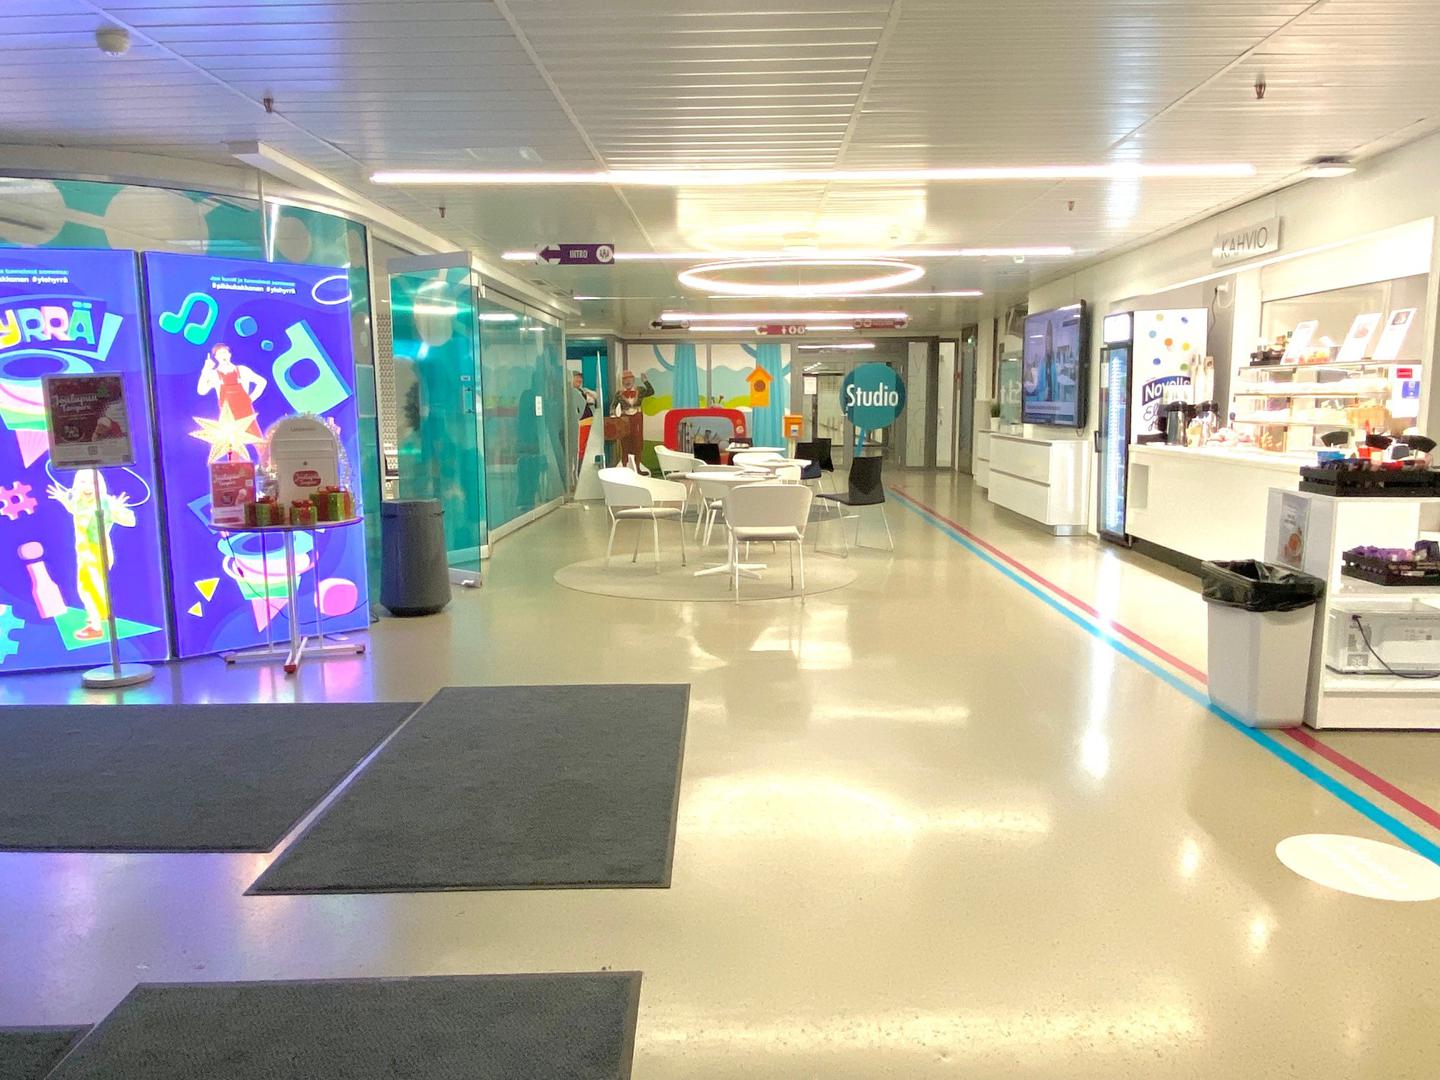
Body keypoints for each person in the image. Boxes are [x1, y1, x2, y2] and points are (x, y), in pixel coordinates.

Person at [47, 471, 136, 642]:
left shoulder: (106, 503)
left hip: (97, 552)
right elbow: (75, 510)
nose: (87, 487)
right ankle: (99, 615)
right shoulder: (79, 501)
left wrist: (118, 509)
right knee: (92, 587)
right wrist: (63, 499)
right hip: (84, 551)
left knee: (87, 589)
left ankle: (95, 627)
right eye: (82, 482)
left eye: (91, 482)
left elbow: (130, 521)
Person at [197, 343, 267, 439]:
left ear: (229, 355)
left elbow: (262, 382)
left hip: (246, 412)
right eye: (219, 353)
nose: (223, 355)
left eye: (225, 352)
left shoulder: (242, 370)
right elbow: (201, 391)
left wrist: (251, 398)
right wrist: (205, 370)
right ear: (216, 358)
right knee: (232, 444)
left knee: (257, 440)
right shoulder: (214, 375)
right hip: (227, 415)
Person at [610, 370, 653, 465]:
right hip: (624, 419)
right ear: (622, 381)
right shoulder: (619, 393)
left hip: (637, 418)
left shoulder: (640, 390)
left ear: (633, 380)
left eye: (629, 379)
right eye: (625, 379)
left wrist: (645, 381)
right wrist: (614, 417)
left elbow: (651, 392)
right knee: (625, 442)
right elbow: (613, 406)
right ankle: (625, 465)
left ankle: (637, 466)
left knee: (638, 441)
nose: (628, 381)